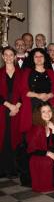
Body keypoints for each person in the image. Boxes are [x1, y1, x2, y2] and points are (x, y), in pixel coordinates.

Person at [20, 48, 54, 133]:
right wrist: (38, 95)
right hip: (32, 106)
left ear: (45, 58)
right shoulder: (27, 72)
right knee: (35, 132)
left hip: (48, 105)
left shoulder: (51, 73)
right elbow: (23, 90)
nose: (38, 58)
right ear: (32, 59)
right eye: (36, 57)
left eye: (41, 56)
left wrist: (48, 95)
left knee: (49, 131)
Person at [27, 102, 54, 192]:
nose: (47, 114)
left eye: (49, 111)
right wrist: (49, 153)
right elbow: (32, 149)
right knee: (48, 160)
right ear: (39, 114)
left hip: (46, 153)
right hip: (36, 155)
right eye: (43, 111)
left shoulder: (52, 125)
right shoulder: (36, 128)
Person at [0, 47, 22, 178]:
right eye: (6, 55)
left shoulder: (21, 73)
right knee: (3, 137)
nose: (8, 57)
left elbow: (24, 92)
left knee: (14, 136)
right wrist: (9, 106)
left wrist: (17, 107)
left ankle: (14, 168)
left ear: (14, 57)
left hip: (17, 108)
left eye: (11, 54)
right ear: (3, 57)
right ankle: (2, 169)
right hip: (2, 108)